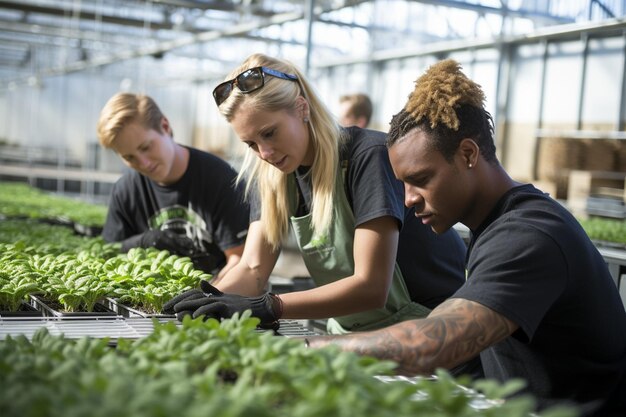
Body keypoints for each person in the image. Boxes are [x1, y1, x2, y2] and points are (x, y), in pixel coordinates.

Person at [301, 60, 626, 416]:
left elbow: (432, 344)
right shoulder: (495, 224)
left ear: (469, 154)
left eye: (421, 179)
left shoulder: (527, 235)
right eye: (404, 184)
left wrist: (308, 349)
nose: (409, 199)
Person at [163, 53, 470, 341]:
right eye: (251, 144)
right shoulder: (272, 175)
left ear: (301, 108)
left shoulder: (367, 158)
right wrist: (210, 301)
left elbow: (371, 287)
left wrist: (271, 306)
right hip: (356, 333)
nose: (264, 153)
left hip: (433, 329)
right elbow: (253, 269)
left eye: (269, 133)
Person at [96, 93, 250, 279]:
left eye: (145, 147)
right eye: (129, 158)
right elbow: (110, 252)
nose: (143, 163)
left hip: (220, 295)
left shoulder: (220, 180)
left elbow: (240, 261)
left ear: (165, 127)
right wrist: (144, 241)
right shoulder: (125, 190)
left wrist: (208, 299)